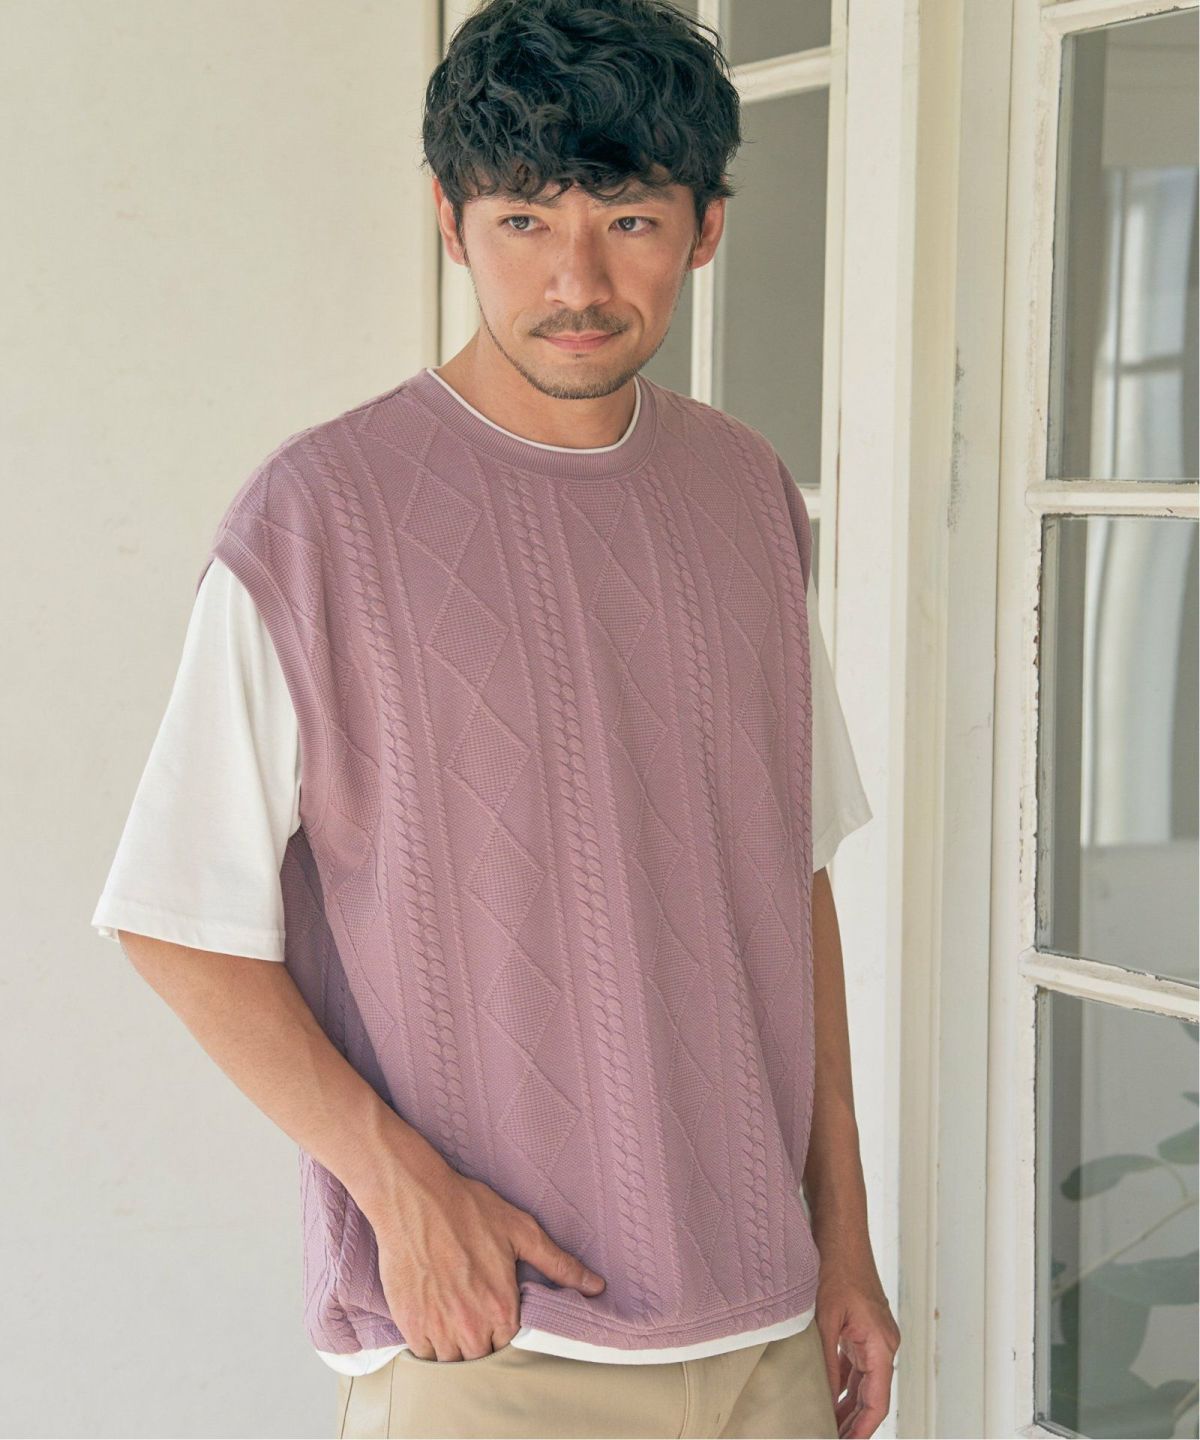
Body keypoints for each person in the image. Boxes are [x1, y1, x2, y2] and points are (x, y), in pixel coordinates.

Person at [91, 1, 901, 1435]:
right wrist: (401, 1191)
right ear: (449, 222)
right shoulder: (319, 519)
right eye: (524, 220)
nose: (575, 280)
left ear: (705, 229)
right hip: (498, 1345)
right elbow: (174, 920)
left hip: (767, 1327)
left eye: (630, 222)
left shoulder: (748, 494)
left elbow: (793, 880)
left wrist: (844, 1238)